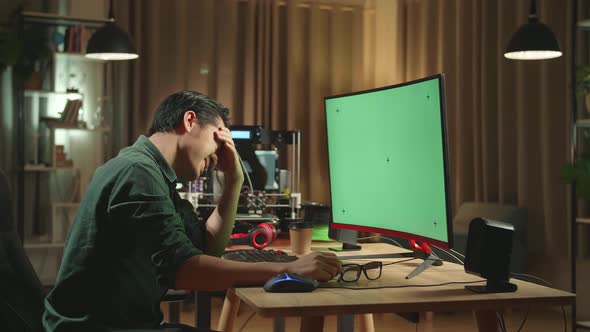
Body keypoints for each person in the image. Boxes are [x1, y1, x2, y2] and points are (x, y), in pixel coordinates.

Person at [42, 91, 342, 332]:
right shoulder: (137, 172)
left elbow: (207, 248)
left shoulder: (154, 174)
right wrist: (287, 268)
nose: (222, 150)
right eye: (219, 135)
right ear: (189, 121)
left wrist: (234, 181)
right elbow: (185, 271)